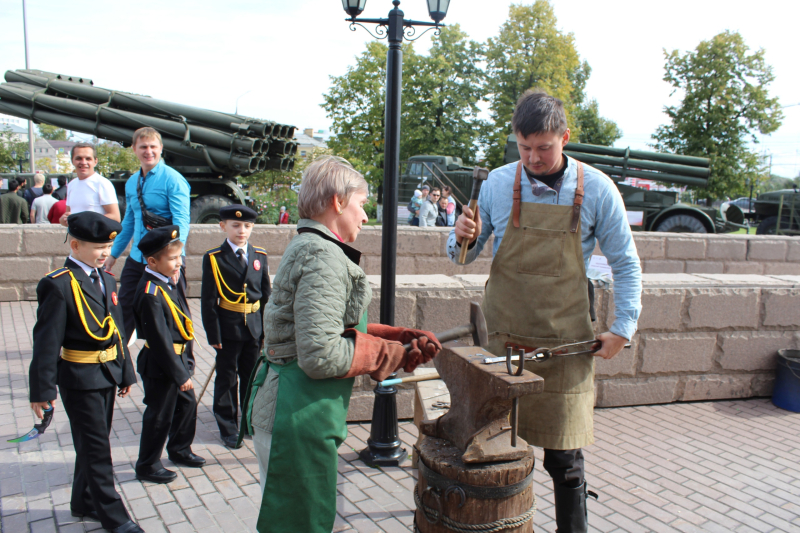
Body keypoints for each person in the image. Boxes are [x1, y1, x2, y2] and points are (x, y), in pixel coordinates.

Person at [449, 89, 642, 532]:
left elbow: (626, 263)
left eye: (543, 148)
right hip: (503, 343)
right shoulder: (498, 184)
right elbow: (462, 257)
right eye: (524, 147)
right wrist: (461, 234)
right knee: (489, 449)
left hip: (565, 348)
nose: (533, 158)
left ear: (565, 138)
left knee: (566, 461)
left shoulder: (596, 189)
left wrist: (623, 327)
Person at [238, 156, 441, 533]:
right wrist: (392, 355)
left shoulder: (310, 245)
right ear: (337, 201)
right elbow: (321, 354)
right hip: (296, 416)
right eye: (361, 204)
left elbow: (329, 326)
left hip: (294, 410)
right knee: (302, 526)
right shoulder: (323, 256)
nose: (365, 216)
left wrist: (395, 336)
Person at [28, 211, 142, 533]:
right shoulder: (58, 285)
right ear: (75, 245)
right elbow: (47, 340)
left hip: (106, 374)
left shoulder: (106, 279)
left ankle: (83, 501)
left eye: (108, 247)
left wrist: (126, 373)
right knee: (96, 449)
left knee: (93, 442)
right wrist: (42, 390)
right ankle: (115, 518)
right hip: (79, 378)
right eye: (97, 248)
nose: (105, 253)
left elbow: (118, 329)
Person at [133, 225, 205, 484]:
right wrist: (178, 373)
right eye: (172, 259)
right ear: (152, 262)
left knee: (186, 407)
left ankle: (180, 449)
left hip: (178, 359)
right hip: (162, 364)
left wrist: (187, 361)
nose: (178, 264)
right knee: (159, 415)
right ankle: (148, 464)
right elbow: (159, 338)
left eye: (180, 257)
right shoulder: (151, 293)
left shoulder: (166, 280)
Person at [105, 128, 191, 342]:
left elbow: (181, 222)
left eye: (153, 146)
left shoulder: (173, 179)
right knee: (123, 310)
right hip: (137, 258)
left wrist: (175, 260)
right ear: (134, 149)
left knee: (174, 315)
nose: (148, 151)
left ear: (161, 148)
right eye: (143, 146)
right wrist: (113, 254)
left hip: (165, 260)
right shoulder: (131, 182)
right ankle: (119, 365)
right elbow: (129, 221)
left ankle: (182, 367)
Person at [201, 205, 271, 448]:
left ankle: (248, 422)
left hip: (253, 328)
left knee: (251, 377)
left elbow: (265, 296)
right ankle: (228, 426)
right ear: (223, 226)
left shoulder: (259, 255)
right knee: (227, 379)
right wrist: (213, 334)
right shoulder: (214, 258)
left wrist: (266, 330)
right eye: (236, 225)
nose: (242, 230)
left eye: (247, 226)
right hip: (227, 328)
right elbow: (209, 300)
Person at [60, 143, 120, 226]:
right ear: (72, 161)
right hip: (74, 237)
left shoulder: (102, 183)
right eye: (79, 158)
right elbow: (68, 213)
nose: (83, 162)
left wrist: (85, 221)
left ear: (95, 161)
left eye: (88, 158)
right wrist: (63, 219)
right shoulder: (71, 184)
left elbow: (115, 217)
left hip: (96, 238)